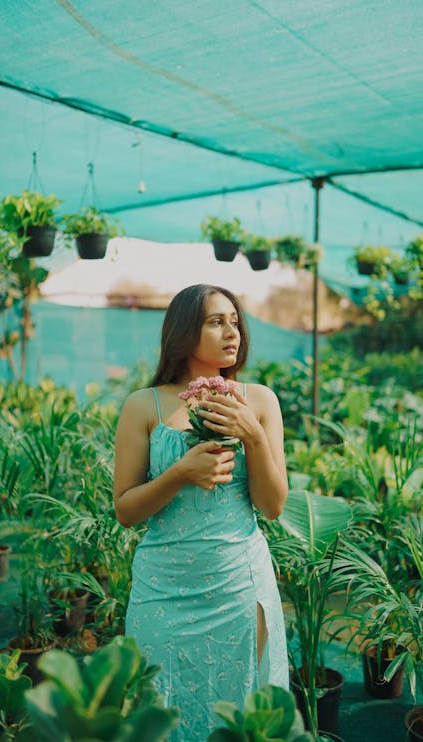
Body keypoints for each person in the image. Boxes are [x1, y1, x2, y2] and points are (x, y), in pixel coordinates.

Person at [114, 283, 289, 741]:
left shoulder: (260, 401)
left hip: (238, 584)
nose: (232, 331)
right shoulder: (143, 405)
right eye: (216, 321)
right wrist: (179, 473)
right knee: (162, 705)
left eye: (235, 320)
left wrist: (251, 434)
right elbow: (126, 510)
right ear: (183, 331)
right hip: (162, 589)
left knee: (239, 711)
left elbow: (273, 506)